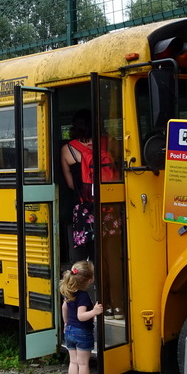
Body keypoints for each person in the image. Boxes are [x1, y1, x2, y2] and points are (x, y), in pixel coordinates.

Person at [60, 109, 123, 318]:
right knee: (112, 259)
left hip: (85, 212)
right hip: (110, 209)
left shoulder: (68, 150)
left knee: (89, 260)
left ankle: (95, 307)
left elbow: (70, 184)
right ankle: (118, 306)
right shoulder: (111, 142)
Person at [59, 259, 104, 374]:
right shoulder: (83, 296)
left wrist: (66, 322)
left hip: (70, 331)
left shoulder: (69, 292)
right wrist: (95, 312)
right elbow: (81, 316)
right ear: (90, 280)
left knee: (73, 363)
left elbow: (64, 308)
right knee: (83, 364)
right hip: (82, 332)